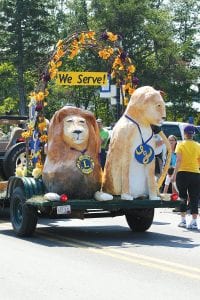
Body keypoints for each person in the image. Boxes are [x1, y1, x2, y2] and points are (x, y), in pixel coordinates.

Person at [171, 125, 200, 229]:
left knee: (182, 196)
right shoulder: (198, 145)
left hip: (182, 173)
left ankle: (183, 221)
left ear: (184, 133)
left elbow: (178, 160)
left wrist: (174, 175)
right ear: (193, 134)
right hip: (195, 173)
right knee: (194, 197)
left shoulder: (180, 144)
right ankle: (194, 221)